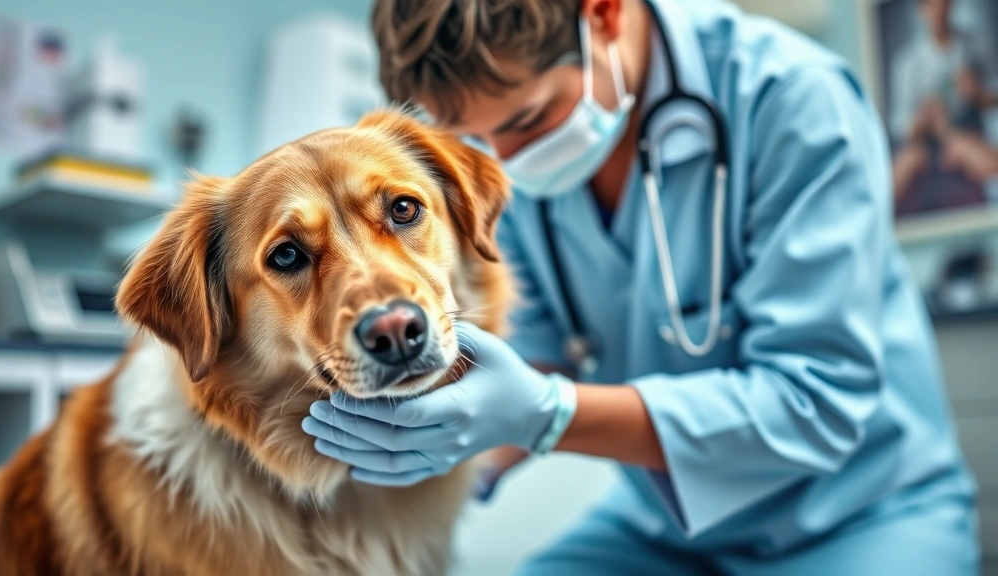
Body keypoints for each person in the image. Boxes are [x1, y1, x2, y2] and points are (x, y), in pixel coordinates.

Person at [302, 0, 981, 573]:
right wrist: (437, 455)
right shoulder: (512, 146)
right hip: (667, 530)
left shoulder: (793, 99)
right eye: (471, 138)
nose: (502, 163)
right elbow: (534, 355)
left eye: (527, 122)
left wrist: (547, 415)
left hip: (860, 515)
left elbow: (814, 402)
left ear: (603, 14)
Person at [890, 0, 998, 202]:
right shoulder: (907, 62)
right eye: (932, 5)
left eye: (943, 4)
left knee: (976, 154)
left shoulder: (975, 45)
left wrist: (977, 93)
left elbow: (994, 96)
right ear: (921, 10)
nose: (939, 11)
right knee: (898, 172)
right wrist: (923, 119)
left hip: (964, 132)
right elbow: (899, 125)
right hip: (924, 142)